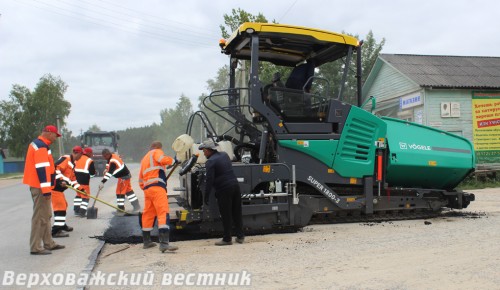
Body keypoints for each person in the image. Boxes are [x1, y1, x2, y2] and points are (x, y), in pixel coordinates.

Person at [23, 125, 65, 255]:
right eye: (54, 135)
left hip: (42, 186)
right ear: (48, 132)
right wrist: (46, 189)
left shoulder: (42, 145)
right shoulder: (40, 146)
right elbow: (42, 169)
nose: (55, 138)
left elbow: (49, 169)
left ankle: (48, 243)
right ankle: (35, 247)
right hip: (40, 187)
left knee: (46, 215)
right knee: (40, 217)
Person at [199, 139, 244, 246]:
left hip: (224, 189)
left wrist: (206, 195)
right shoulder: (224, 155)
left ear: (209, 150)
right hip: (235, 186)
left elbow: (209, 180)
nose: (203, 153)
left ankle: (227, 239)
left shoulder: (210, 162)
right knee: (236, 212)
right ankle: (240, 236)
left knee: (226, 214)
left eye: (204, 150)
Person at [138, 141, 179, 252]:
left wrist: (146, 188)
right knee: (163, 213)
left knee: (148, 214)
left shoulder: (144, 159)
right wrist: (174, 160)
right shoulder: (156, 151)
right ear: (157, 147)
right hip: (157, 188)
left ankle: (146, 241)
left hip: (147, 190)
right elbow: (163, 159)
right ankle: (164, 244)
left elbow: (140, 180)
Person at [51, 146, 84, 237]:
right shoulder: (66, 159)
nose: (81, 157)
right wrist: (61, 180)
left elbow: (72, 179)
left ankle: (62, 225)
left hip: (60, 190)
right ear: (77, 153)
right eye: (81, 155)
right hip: (55, 188)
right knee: (60, 208)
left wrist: (80, 189)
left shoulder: (73, 163)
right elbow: (55, 168)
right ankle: (55, 231)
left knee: (64, 205)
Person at [98, 149, 141, 214]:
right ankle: (136, 206)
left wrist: (102, 182)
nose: (104, 158)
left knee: (120, 192)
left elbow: (110, 173)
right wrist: (106, 169)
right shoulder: (112, 156)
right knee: (129, 191)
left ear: (107, 154)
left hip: (123, 177)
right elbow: (108, 162)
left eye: (104, 156)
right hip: (126, 176)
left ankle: (121, 209)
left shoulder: (113, 161)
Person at [74, 147, 96, 217]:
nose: (92, 154)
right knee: (85, 196)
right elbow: (92, 173)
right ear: (89, 153)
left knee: (78, 195)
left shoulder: (77, 158)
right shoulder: (89, 160)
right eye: (91, 152)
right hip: (84, 180)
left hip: (76, 180)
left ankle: (76, 210)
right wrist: (92, 175)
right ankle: (82, 212)